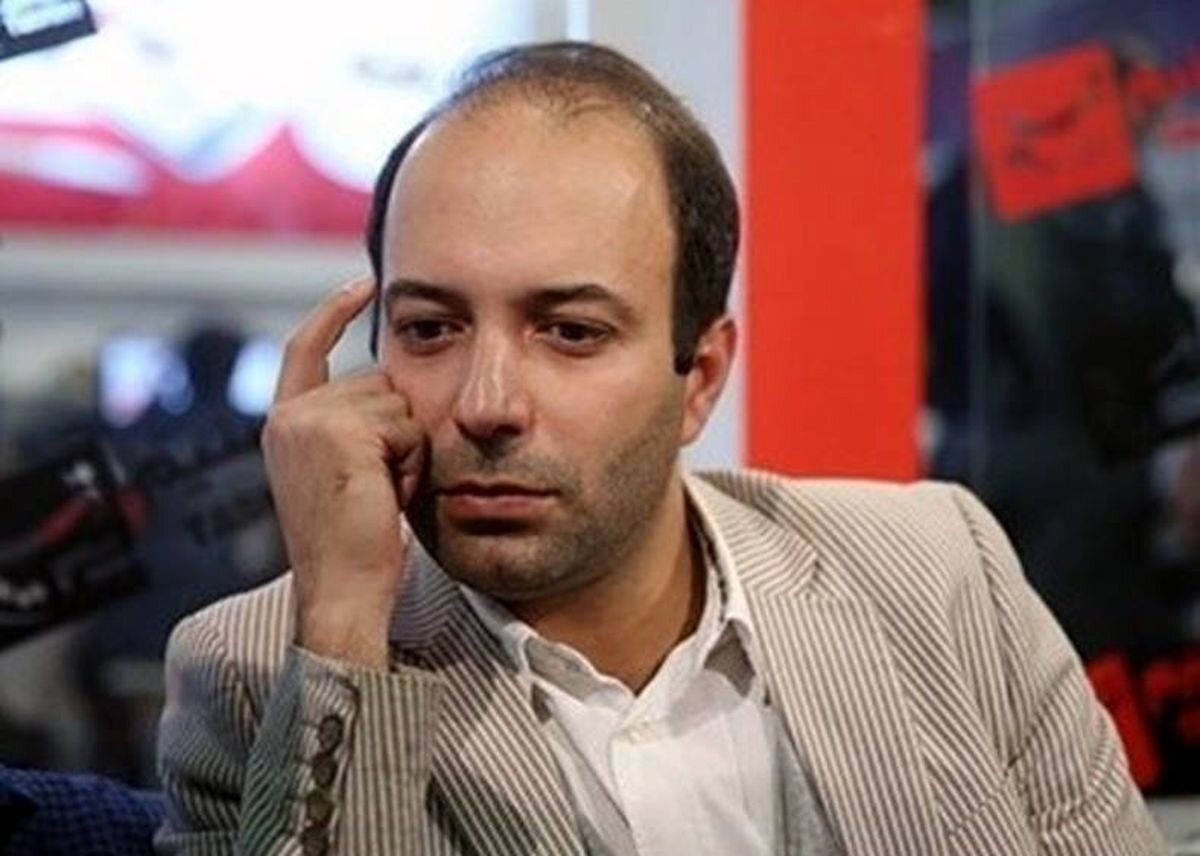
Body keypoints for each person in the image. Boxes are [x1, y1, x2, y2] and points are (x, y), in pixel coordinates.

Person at [155, 41, 1166, 855]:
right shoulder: (258, 672)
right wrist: (342, 630)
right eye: (429, 328)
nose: (486, 403)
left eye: (571, 332)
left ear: (701, 375)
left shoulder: (940, 568)